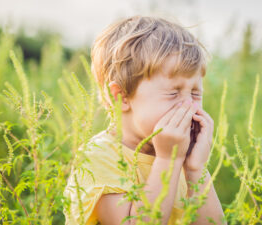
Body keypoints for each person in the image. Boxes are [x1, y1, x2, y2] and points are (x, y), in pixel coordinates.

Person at [63, 15, 225, 225]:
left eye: (195, 94)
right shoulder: (98, 158)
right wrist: (168, 160)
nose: (188, 107)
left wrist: (196, 169)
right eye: (173, 93)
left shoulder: (183, 158)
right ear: (120, 97)